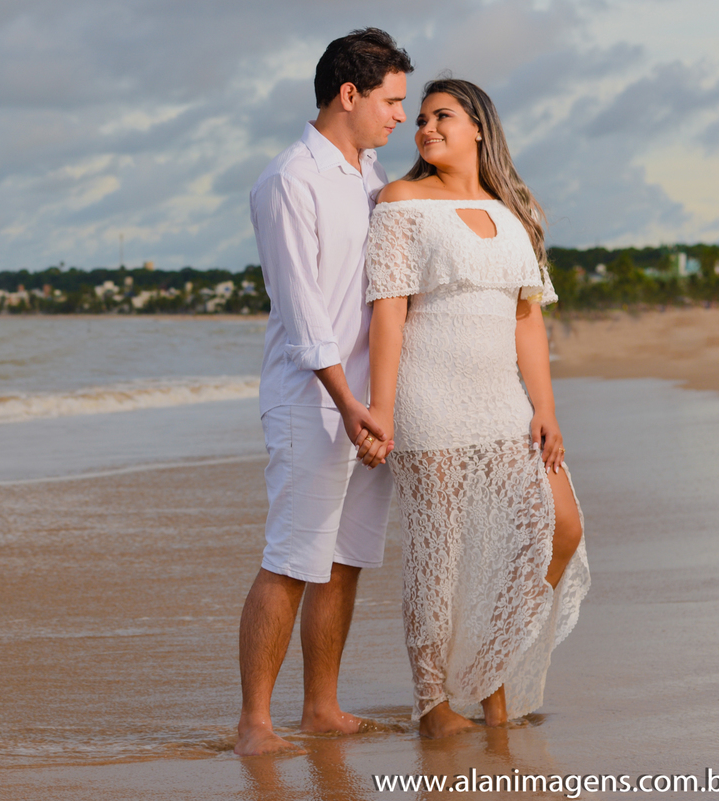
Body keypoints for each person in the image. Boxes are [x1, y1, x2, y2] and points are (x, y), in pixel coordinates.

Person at [358, 78, 590, 739]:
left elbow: (527, 322)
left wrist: (545, 409)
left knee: (558, 527)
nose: (425, 127)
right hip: (427, 395)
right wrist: (382, 407)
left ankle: (490, 670)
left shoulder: (515, 214)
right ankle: (436, 704)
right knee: (441, 554)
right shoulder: (400, 201)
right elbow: (389, 315)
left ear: (479, 128)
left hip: (504, 401)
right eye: (421, 118)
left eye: (442, 116)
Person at [235, 28, 413, 757]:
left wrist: (383, 407)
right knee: (291, 557)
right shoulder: (289, 180)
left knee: (343, 559)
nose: (400, 116)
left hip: (370, 406)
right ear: (349, 94)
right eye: (391, 100)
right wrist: (350, 405)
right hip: (315, 402)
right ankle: (254, 723)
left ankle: (321, 708)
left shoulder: (368, 177)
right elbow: (304, 311)